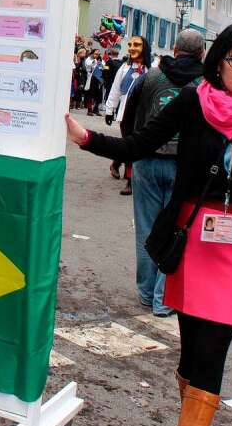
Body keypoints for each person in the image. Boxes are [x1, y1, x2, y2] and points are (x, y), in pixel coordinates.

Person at [65, 23, 232, 426]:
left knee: (213, 347)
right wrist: (88, 138)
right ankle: (190, 403)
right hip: (191, 239)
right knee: (191, 351)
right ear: (218, 60)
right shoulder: (194, 100)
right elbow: (141, 143)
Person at [119, 28, 204, 317]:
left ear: (176, 49)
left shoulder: (150, 77)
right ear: (202, 52)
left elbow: (128, 119)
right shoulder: (206, 83)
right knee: (178, 229)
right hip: (187, 166)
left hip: (147, 160)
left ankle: (145, 292)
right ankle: (163, 298)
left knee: (146, 227)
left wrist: (132, 151)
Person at [105, 35, 151, 196]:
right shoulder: (124, 68)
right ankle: (129, 180)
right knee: (130, 144)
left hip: (143, 115)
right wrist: (110, 110)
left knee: (134, 146)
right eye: (130, 45)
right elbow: (116, 89)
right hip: (125, 114)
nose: (132, 48)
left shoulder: (150, 70)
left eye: (136, 45)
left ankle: (119, 166)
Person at [83, 49, 104, 116]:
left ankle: (96, 109)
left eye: (98, 54)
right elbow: (89, 65)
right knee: (90, 95)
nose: (97, 55)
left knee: (99, 95)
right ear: (91, 53)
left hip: (98, 79)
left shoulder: (97, 60)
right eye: (96, 54)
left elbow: (103, 67)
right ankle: (89, 110)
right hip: (91, 78)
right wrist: (96, 63)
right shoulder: (88, 60)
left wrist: (102, 66)